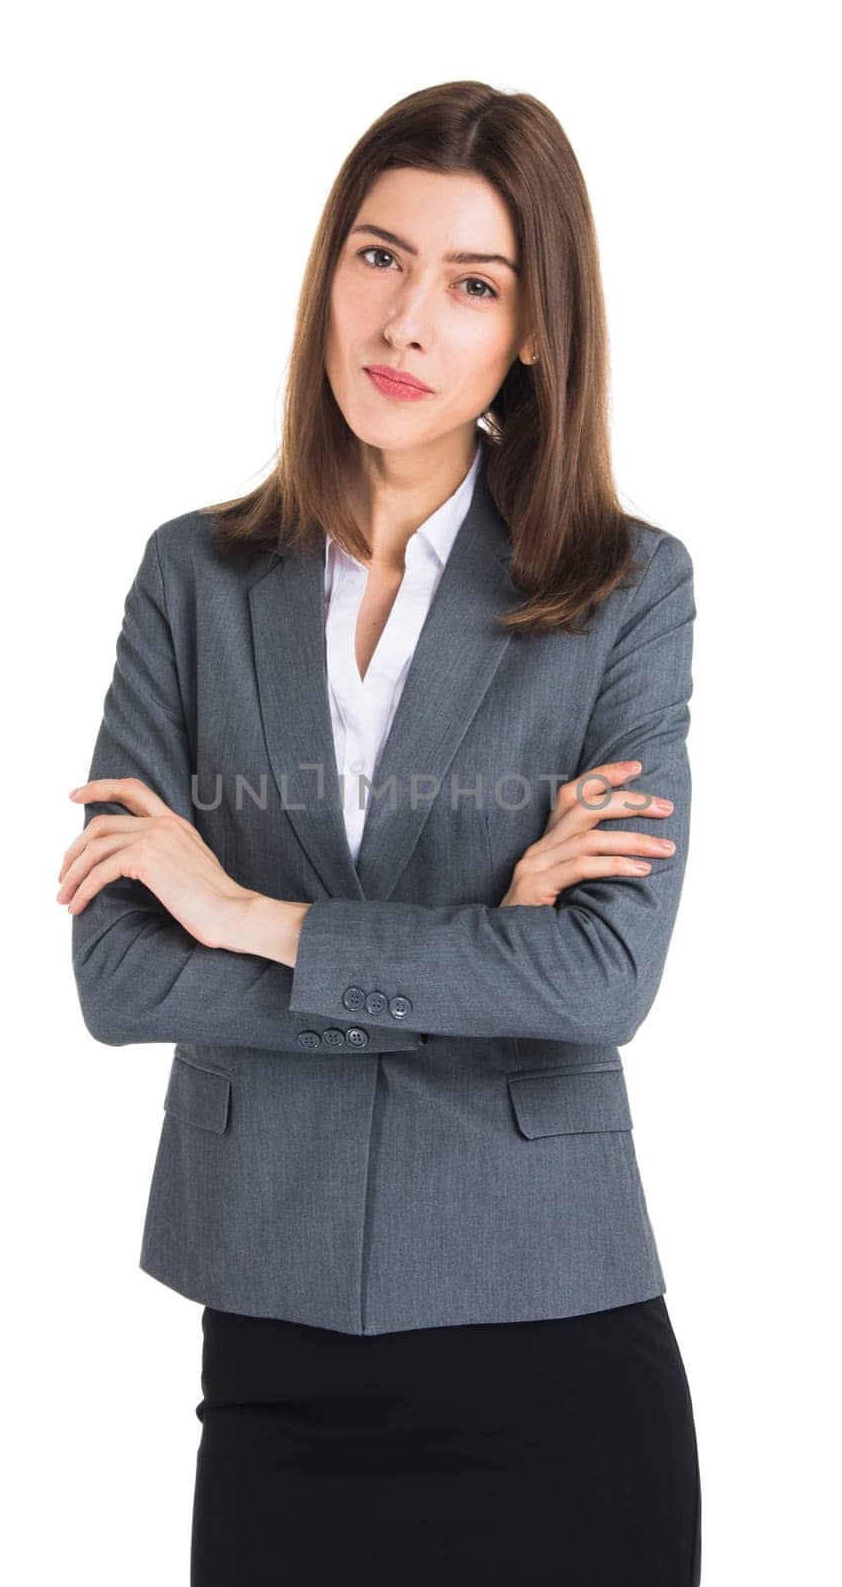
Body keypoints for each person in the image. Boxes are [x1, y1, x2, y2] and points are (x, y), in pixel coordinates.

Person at [59, 79, 702, 1586]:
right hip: (274, 1340)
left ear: (532, 331)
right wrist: (487, 944)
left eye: (474, 284)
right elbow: (115, 979)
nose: (408, 321)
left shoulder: (624, 591)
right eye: (379, 257)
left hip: (550, 1329)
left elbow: (605, 983)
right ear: (330, 277)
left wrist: (249, 915)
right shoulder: (194, 581)